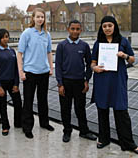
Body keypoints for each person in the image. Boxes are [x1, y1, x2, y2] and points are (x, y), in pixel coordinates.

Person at [91, 16, 138, 154]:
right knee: (102, 110)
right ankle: (104, 139)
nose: (107, 28)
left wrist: (124, 56)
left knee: (121, 111)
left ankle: (128, 143)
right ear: (102, 27)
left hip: (118, 81)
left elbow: (133, 59)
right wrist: (95, 68)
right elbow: (93, 63)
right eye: (104, 26)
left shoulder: (123, 41)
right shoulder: (98, 43)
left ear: (114, 26)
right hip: (102, 80)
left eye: (109, 25)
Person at [55, 20, 97, 143]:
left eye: (77, 29)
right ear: (68, 29)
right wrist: (60, 84)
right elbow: (58, 66)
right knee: (65, 109)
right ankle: (67, 131)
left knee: (80, 109)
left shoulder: (84, 46)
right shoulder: (62, 45)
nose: (75, 31)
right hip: (66, 83)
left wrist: (86, 80)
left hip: (79, 83)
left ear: (81, 30)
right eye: (72, 29)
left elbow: (89, 64)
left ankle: (84, 131)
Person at [17, 8, 54, 139]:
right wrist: (21, 71)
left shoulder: (46, 34)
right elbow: (20, 53)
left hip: (43, 72)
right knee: (28, 101)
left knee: (43, 99)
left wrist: (51, 67)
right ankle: (27, 127)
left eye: (42, 17)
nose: (40, 19)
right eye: (38, 17)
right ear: (33, 18)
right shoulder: (26, 33)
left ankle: (44, 123)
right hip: (30, 72)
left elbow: (49, 52)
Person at [0, 29, 22, 136]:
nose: (6, 39)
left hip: (12, 82)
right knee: (3, 105)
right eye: (3, 37)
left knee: (18, 103)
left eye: (7, 37)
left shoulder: (12, 51)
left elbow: (15, 69)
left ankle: (18, 123)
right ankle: (5, 126)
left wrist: (16, 84)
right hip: (1, 83)